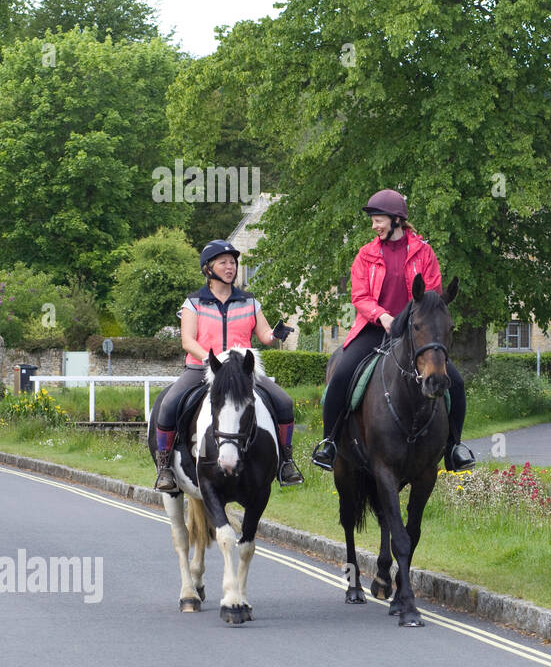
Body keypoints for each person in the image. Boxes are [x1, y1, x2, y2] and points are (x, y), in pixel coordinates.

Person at [311, 189, 474, 472]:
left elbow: (432, 296)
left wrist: (415, 320)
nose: (374, 226)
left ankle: (454, 447)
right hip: (376, 328)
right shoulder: (366, 254)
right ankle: (330, 443)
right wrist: (382, 316)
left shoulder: (425, 252)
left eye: (378, 220)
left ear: (397, 219)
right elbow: (360, 296)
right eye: (373, 221)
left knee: (456, 383)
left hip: (416, 332)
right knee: (341, 376)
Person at [152, 240, 305, 492]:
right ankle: (165, 466)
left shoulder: (250, 302)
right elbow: (187, 341)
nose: (230, 267)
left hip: (242, 373)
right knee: (168, 405)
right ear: (208, 269)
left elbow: (264, 335)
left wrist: (276, 334)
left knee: (285, 402)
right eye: (223, 262)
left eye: (233, 262)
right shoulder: (193, 303)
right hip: (201, 369)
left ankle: (286, 462)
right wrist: (213, 361)